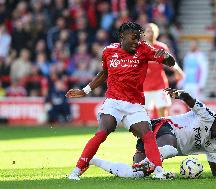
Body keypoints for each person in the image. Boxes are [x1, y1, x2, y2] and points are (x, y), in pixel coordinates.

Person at [66, 22, 175, 180]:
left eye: (138, 38)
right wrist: (85, 90)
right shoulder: (109, 51)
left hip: (134, 105)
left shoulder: (144, 49)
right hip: (113, 102)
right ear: (122, 37)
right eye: (134, 38)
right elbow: (104, 73)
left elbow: (169, 62)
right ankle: (77, 170)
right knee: (102, 132)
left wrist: (167, 57)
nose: (137, 42)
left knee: (147, 134)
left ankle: (159, 171)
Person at [84, 88, 216, 178]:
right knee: (171, 149)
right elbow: (189, 99)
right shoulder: (207, 115)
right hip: (162, 127)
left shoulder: (213, 146)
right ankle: (153, 166)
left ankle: (94, 161)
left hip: (160, 144)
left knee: (133, 175)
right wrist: (178, 94)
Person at [143, 23, 184, 117]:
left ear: (157, 33)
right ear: (144, 33)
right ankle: (147, 132)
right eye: (148, 31)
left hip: (160, 85)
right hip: (144, 86)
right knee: (143, 115)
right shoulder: (140, 49)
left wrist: (177, 70)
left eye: (153, 31)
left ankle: (162, 131)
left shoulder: (161, 47)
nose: (151, 33)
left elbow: (170, 61)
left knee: (162, 113)